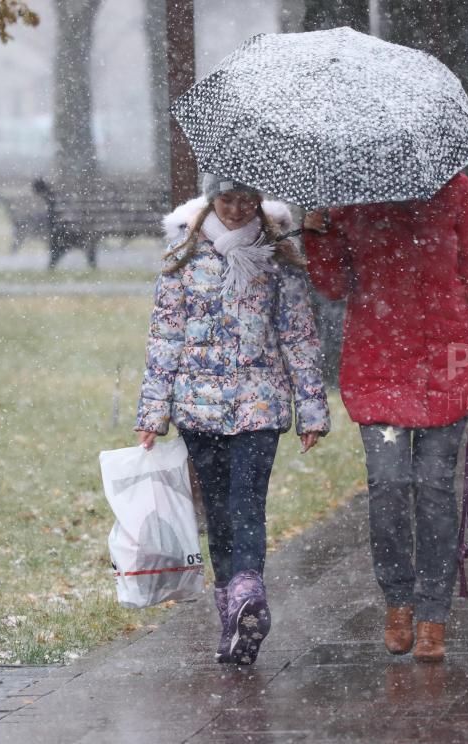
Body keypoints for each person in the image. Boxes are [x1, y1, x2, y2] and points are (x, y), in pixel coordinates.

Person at [302, 172, 468, 663]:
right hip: (378, 365)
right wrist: (317, 233)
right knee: (387, 485)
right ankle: (398, 600)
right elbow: (333, 285)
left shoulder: (456, 189)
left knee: (435, 489)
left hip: (448, 364)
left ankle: (433, 616)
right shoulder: (349, 191)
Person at [136, 174, 331, 665]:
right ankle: (233, 608)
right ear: (210, 199)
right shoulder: (183, 256)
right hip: (197, 409)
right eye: (228, 199)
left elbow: (299, 337)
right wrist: (153, 411)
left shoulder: (277, 255)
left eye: (249, 199)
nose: (239, 208)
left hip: (259, 404)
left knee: (247, 502)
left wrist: (311, 409)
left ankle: (249, 592)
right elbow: (165, 337)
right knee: (218, 513)